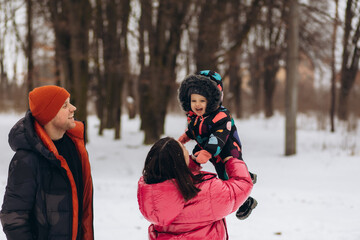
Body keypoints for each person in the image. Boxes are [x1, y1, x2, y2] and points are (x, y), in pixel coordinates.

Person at [0, 85, 94, 240]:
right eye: (65, 105)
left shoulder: (74, 149)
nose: (73, 108)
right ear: (48, 114)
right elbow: (13, 218)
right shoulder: (26, 160)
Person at [178, 70, 257, 220]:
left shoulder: (222, 116)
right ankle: (188, 186)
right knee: (195, 162)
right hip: (206, 146)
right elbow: (193, 130)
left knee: (226, 175)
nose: (198, 104)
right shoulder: (195, 117)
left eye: (203, 99)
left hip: (227, 149)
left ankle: (246, 202)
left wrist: (207, 152)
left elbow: (219, 136)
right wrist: (183, 139)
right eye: (194, 100)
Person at [137, 137, 253, 239]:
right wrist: (231, 158)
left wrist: (193, 163)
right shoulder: (207, 191)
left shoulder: (152, 195)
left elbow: (173, 179)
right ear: (180, 162)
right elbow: (242, 185)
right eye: (184, 150)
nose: (187, 152)